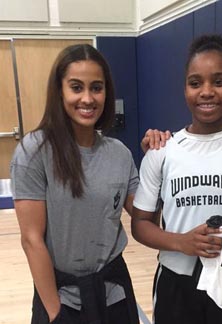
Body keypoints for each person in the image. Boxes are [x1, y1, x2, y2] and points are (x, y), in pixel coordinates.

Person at [131, 34, 222, 324]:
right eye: (196, 83)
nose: (207, 91)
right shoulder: (162, 151)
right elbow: (140, 224)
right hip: (175, 281)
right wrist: (182, 242)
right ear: (185, 89)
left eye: (219, 81)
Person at [10, 44, 140, 323]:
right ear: (60, 91)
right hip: (62, 298)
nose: (88, 98)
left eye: (96, 87)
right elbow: (32, 240)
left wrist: (159, 157)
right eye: (76, 87)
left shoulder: (119, 153)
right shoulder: (34, 151)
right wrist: (55, 313)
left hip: (114, 293)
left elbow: (145, 215)